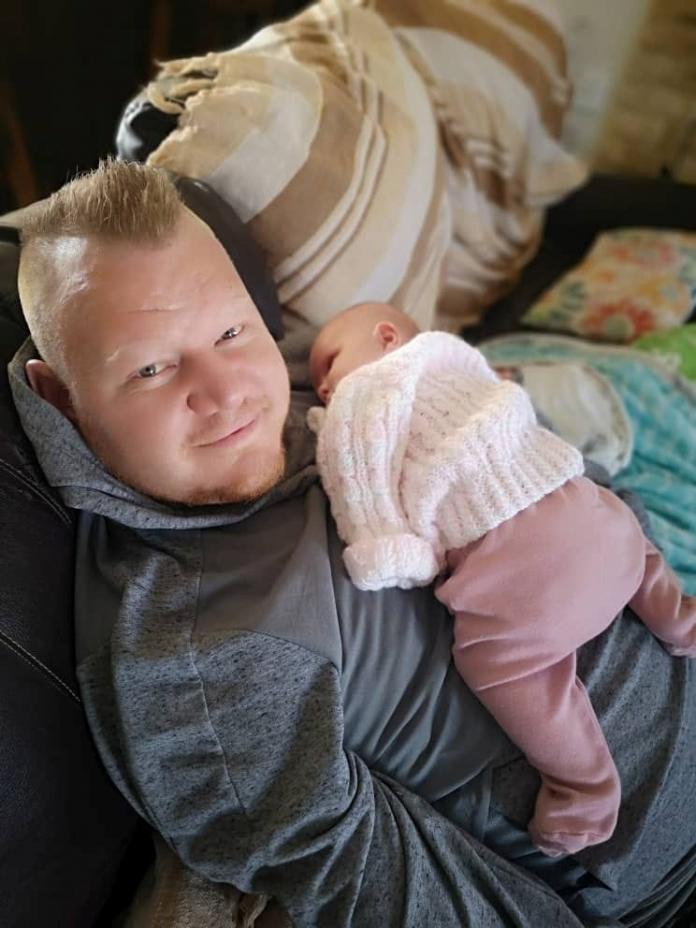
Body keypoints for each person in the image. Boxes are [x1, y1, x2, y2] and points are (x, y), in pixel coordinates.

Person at [8, 160, 696, 927]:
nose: (228, 390)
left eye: (231, 331)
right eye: (151, 368)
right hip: (667, 871)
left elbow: (531, 465)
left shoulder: (317, 400)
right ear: (59, 399)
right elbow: (406, 898)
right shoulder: (202, 653)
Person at [307, 301, 695, 858]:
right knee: (626, 533)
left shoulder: (367, 390)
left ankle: (586, 790)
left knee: (499, 661)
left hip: (522, 566)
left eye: (328, 364)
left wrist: (387, 549)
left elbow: (358, 476)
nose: (322, 385)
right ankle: (680, 618)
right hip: (593, 515)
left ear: (386, 337)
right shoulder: (465, 367)